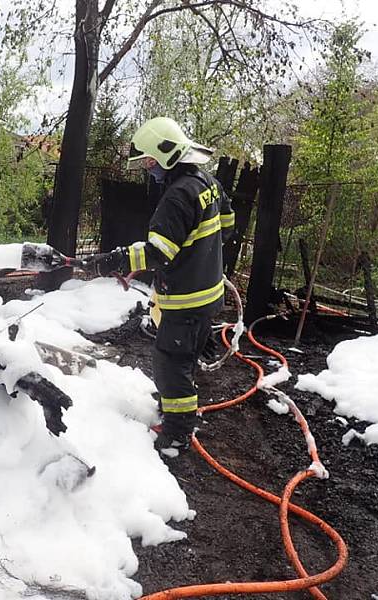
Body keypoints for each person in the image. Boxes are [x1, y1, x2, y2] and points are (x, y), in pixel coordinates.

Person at [84, 117, 235, 454]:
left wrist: (121, 260)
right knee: (186, 357)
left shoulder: (176, 198)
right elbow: (226, 226)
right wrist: (198, 256)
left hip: (187, 300)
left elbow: (157, 252)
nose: (148, 168)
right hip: (209, 294)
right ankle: (177, 403)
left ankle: (177, 434)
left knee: (170, 361)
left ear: (167, 156)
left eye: (150, 161)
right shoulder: (207, 182)